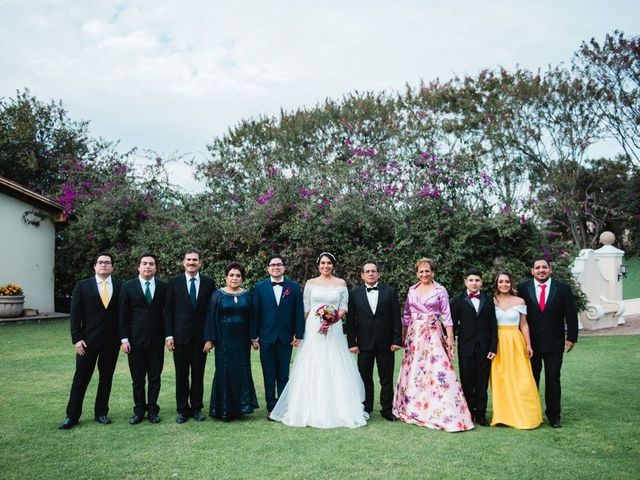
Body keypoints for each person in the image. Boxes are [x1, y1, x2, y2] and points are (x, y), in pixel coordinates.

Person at [269, 252, 368, 428]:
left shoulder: (340, 283)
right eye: (323, 263)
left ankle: (339, 408)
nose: (326, 266)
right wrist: (298, 331)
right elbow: (305, 308)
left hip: (334, 329)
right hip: (313, 329)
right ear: (318, 265)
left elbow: (344, 306)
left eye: (329, 263)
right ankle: (308, 407)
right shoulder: (310, 283)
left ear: (333, 265)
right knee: (312, 363)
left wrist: (333, 319)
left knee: (335, 363)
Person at [392, 258, 474, 432]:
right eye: (421, 272)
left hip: (433, 334)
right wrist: (403, 337)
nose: (424, 274)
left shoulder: (440, 290)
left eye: (427, 271)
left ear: (433, 272)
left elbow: (447, 316)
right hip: (415, 336)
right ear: (417, 274)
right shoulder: (412, 290)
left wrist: (450, 338)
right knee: (414, 369)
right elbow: (406, 315)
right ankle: (413, 406)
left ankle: (444, 410)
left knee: (437, 369)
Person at [58, 252, 122, 429]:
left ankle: (101, 412)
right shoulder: (83, 286)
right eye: (100, 262)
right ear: (94, 266)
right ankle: (72, 415)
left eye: (107, 263)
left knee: (106, 378)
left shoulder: (119, 286)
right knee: (81, 378)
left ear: (112, 267)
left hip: (111, 342)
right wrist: (77, 339)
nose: (104, 265)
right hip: (87, 342)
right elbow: (75, 315)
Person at [517, 258, 578, 428]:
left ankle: (554, 416)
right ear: (532, 271)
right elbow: (518, 315)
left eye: (545, 267)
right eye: (538, 267)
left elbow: (571, 314)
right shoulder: (522, 288)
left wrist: (572, 337)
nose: (541, 270)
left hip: (554, 343)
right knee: (531, 379)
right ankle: (532, 414)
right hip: (530, 344)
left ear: (550, 270)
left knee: (553, 379)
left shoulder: (562, 288)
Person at [164, 248, 216, 424]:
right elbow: (169, 312)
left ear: (200, 263)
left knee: (198, 375)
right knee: (181, 374)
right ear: (183, 262)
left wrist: (210, 337)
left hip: (201, 339)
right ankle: (182, 410)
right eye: (189, 260)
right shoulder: (173, 283)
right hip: (179, 338)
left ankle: (196, 408)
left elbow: (211, 313)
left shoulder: (209, 283)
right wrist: (169, 336)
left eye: (195, 260)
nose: (192, 263)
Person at [346, 260, 402, 421]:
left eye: (373, 271)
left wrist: (396, 340)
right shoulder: (354, 294)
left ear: (378, 274)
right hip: (363, 344)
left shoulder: (390, 292)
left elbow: (396, 318)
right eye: (367, 271)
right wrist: (352, 343)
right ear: (362, 275)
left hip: (386, 343)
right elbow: (351, 321)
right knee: (364, 378)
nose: (371, 273)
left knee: (386, 378)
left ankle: (387, 409)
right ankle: (366, 407)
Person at [204, 262, 259, 420]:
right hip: (224, 340)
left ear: (242, 278)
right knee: (224, 371)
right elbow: (210, 318)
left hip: (242, 341)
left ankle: (241, 407)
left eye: (238, 275)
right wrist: (210, 339)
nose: (234, 278)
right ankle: (224, 409)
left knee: (241, 371)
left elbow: (253, 318)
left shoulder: (247, 295)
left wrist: (253, 338)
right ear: (226, 277)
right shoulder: (217, 295)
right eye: (231, 275)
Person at [251, 255, 305, 417]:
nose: (276, 267)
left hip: (285, 337)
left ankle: (283, 406)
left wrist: (299, 333)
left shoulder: (293, 287)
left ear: (284, 267)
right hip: (266, 337)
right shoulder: (260, 287)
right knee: (268, 373)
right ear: (268, 268)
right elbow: (256, 313)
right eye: (273, 265)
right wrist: (254, 336)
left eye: (279, 264)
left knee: (283, 373)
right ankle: (271, 406)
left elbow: (298, 311)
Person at [119, 253, 167, 424]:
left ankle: (153, 410)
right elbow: (123, 315)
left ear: (156, 268)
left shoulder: (163, 287)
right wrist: (124, 339)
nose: (148, 266)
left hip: (156, 340)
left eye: (151, 264)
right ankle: (139, 411)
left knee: (155, 378)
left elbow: (167, 314)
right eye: (145, 263)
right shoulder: (128, 287)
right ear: (138, 267)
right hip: (135, 341)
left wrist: (168, 336)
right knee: (138, 379)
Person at [490, 272, 542, 429]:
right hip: (498, 343)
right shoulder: (491, 301)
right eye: (501, 282)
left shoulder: (520, 301)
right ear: (497, 284)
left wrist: (528, 344)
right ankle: (503, 416)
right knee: (501, 379)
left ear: (511, 283)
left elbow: (524, 325)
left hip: (515, 342)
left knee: (522, 379)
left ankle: (525, 415)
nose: (504, 284)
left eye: (507, 281)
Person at [450, 268, 497, 426]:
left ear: (481, 282)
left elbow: (493, 325)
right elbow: (451, 324)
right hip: (466, 347)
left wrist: (493, 348)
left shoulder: (488, 300)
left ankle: (481, 414)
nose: (474, 283)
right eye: (471, 280)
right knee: (467, 382)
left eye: (477, 280)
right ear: (465, 282)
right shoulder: (457, 300)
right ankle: (468, 412)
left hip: (485, 348)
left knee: (482, 383)